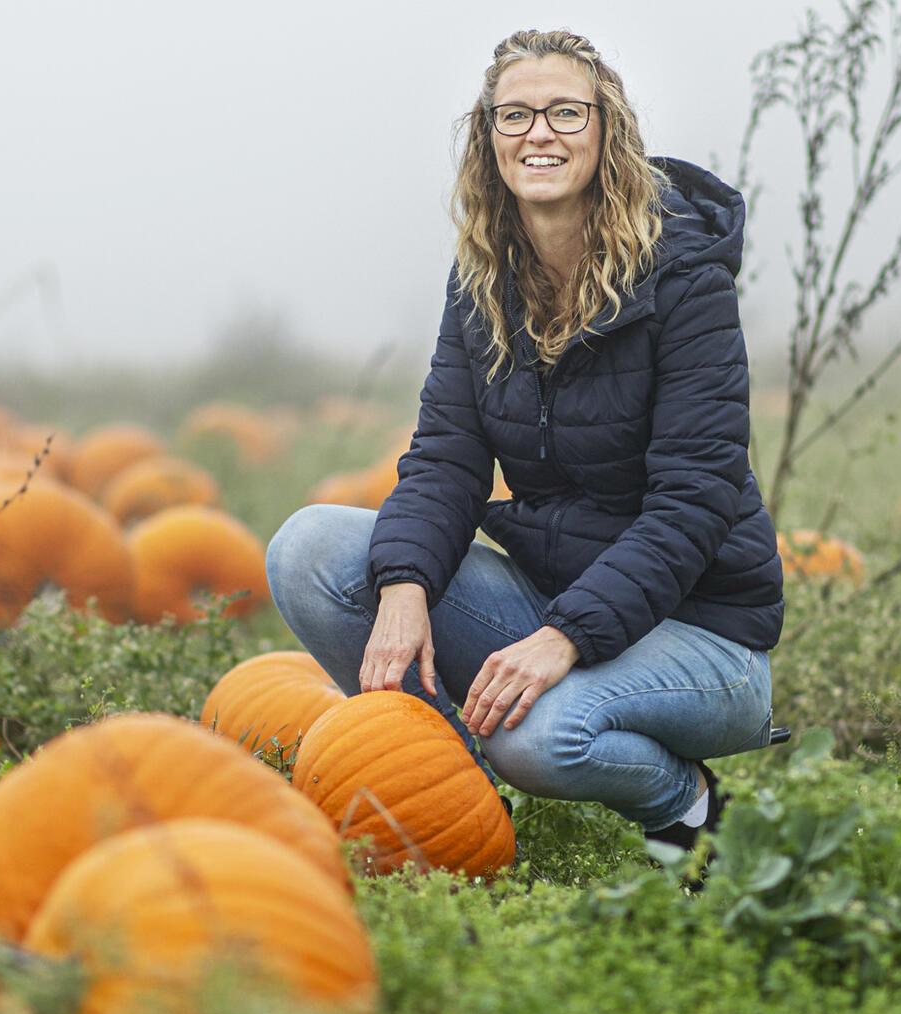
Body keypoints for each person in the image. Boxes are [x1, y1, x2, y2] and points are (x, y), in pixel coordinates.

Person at [265, 28, 784, 851]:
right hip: (557, 598)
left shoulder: (685, 280)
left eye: (565, 113)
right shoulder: (482, 281)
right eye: (515, 116)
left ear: (606, 132)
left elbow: (694, 502)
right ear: (489, 139)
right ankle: (458, 809)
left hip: (704, 636)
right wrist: (403, 584)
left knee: (539, 738)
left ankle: (689, 810)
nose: (539, 133)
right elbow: (445, 458)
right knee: (311, 550)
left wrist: (562, 640)